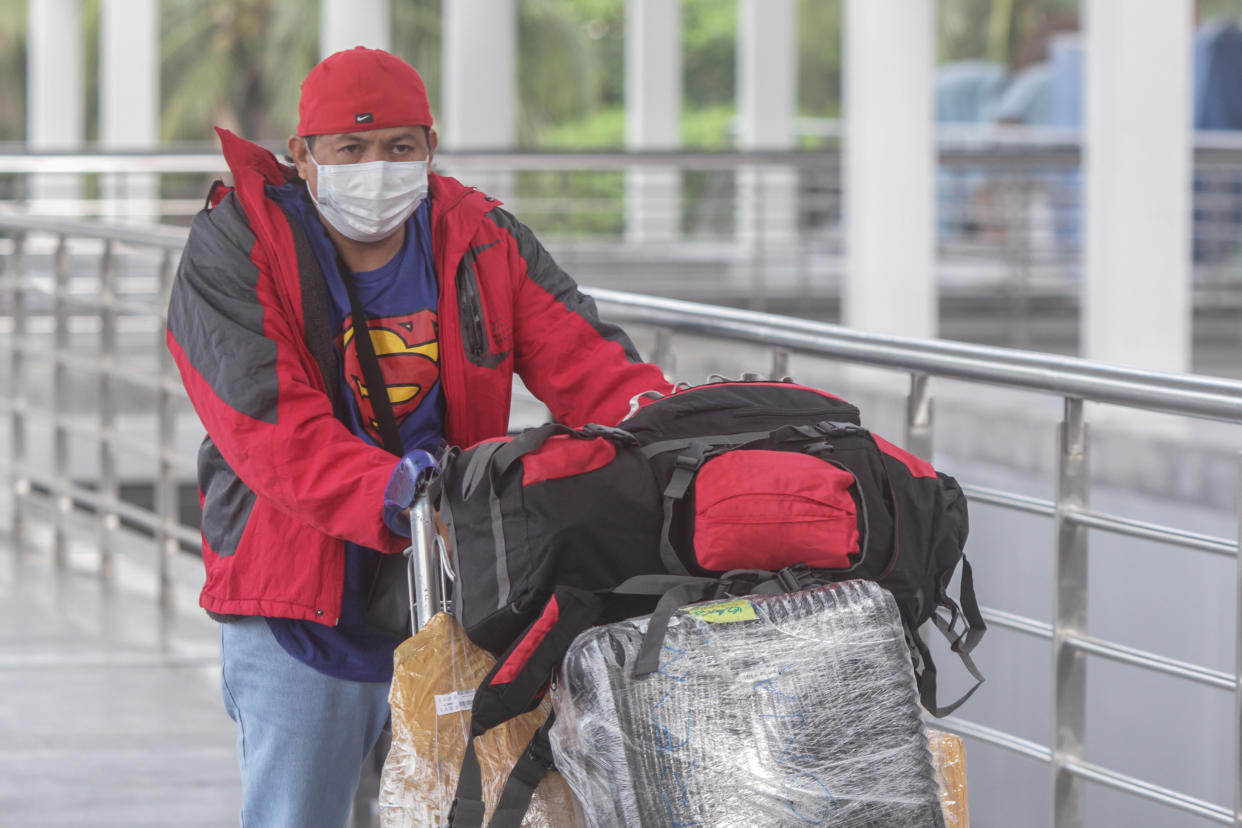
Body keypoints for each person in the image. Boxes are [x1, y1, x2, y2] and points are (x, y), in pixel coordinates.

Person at [166, 46, 672, 827]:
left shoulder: (480, 238)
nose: (378, 167)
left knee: (456, 810)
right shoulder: (240, 244)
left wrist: (674, 434)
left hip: (456, 597)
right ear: (302, 156)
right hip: (298, 596)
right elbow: (264, 420)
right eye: (352, 149)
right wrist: (392, 494)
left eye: (400, 147)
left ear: (430, 149)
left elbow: (589, 363)